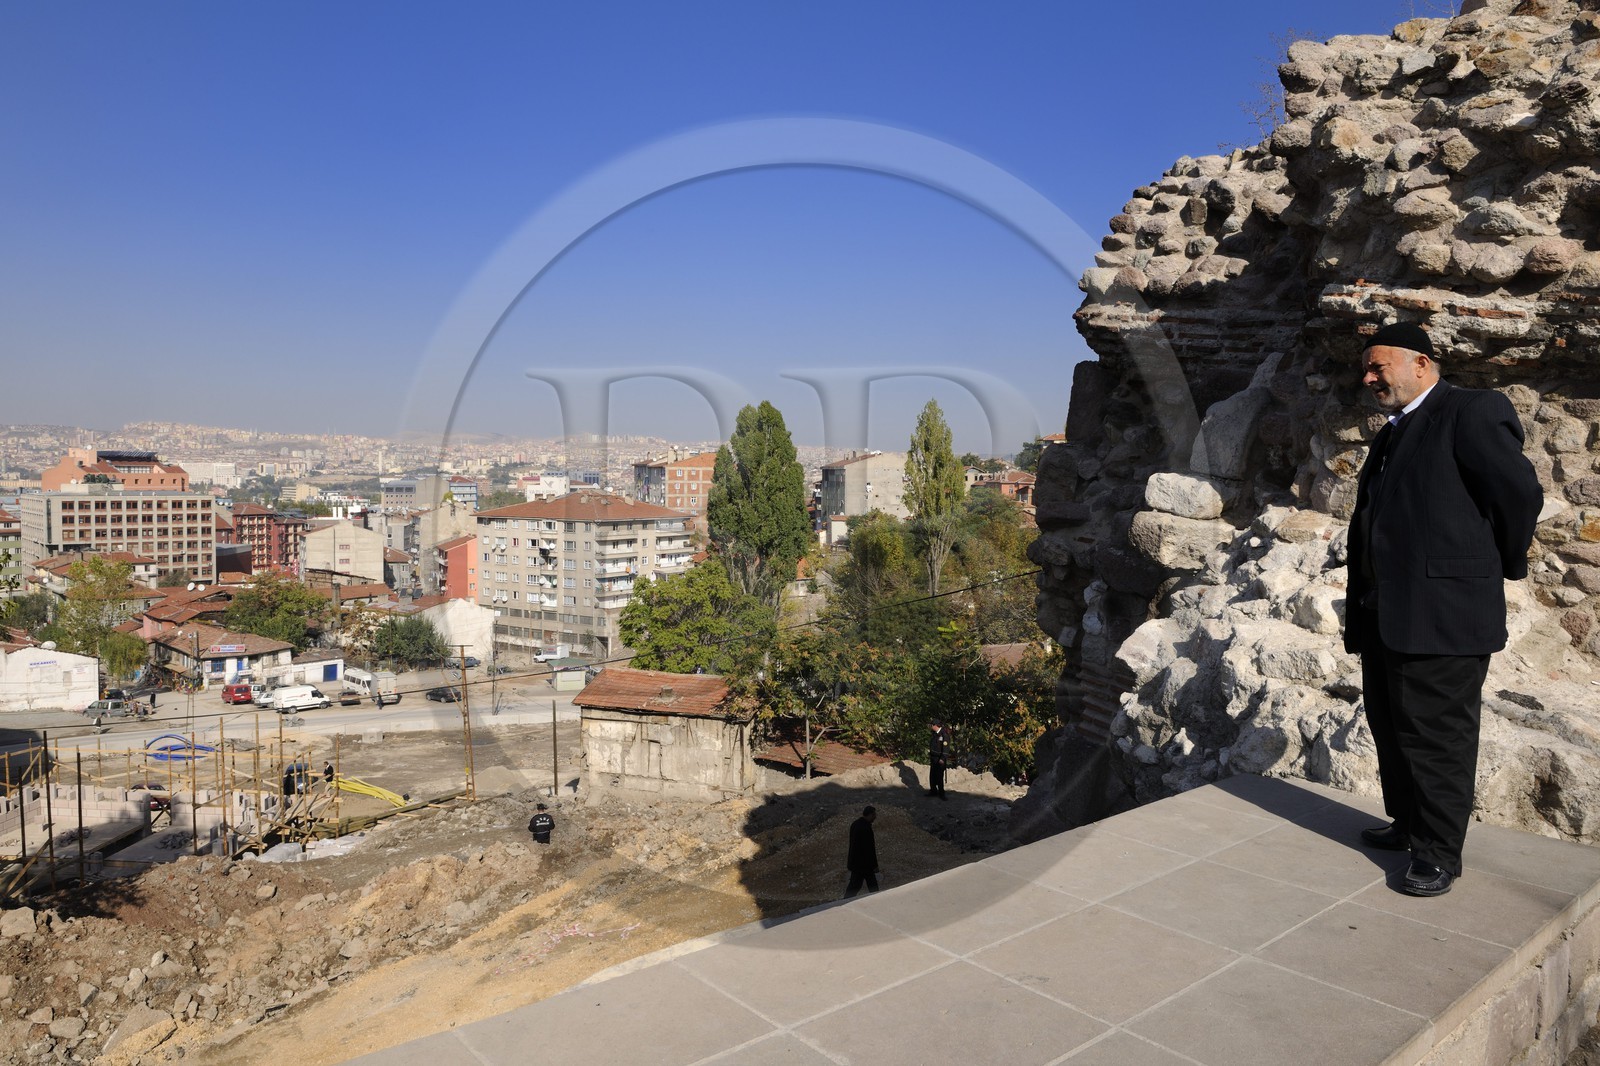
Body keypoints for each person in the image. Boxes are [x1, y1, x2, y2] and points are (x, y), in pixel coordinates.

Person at [1345, 322, 1541, 897]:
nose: (1369, 377)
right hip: (1387, 613)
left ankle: (1437, 854)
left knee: (1438, 738)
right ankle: (1408, 825)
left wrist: (1491, 563)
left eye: (1379, 366)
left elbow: (1519, 495)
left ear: (1422, 364)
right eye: (1368, 368)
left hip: (1445, 615)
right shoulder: (1392, 433)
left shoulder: (1472, 410)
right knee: (1391, 728)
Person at [844, 805, 879, 897]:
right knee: (871, 886)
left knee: (856, 886)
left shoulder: (855, 824)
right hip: (864, 864)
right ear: (870, 814)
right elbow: (869, 849)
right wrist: (874, 865)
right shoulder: (866, 828)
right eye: (874, 815)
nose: (875, 817)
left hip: (856, 863)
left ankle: (844, 901)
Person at [926, 722, 947, 799]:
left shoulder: (944, 734)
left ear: (936, 725)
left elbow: (945, 748)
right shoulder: (935, 734)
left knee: (939, 776)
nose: (931, 726)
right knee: (932, 776)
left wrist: (942, 758)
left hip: (939, 759)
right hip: (934, 758)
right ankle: (933, 791)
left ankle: (941, 793)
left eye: (932, 725)